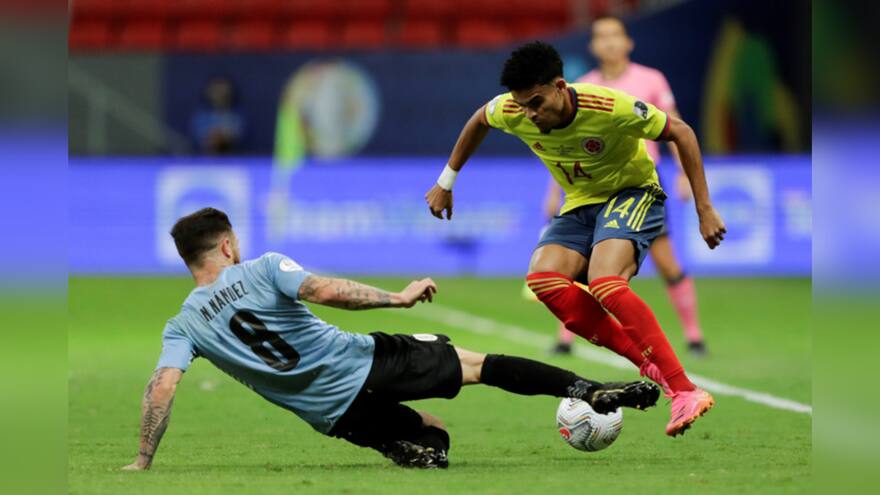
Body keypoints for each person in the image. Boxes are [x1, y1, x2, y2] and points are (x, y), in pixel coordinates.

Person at [121, 207, 659, 471]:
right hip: (366, 361)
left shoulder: (183, 324)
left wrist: (144, 458)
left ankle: (402, 446)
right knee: (476, 364)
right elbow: (325, 290)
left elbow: (161, 389)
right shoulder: (261, 267)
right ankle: (588, 388)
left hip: (330, 414)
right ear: (228, 245)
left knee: (434, 437)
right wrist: (397, 299)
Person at [424, 42, 726, 437]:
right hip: (580, 204)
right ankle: (647, 362)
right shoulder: (513, 110)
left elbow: (681, 132)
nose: (530, 115)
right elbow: (479, 120)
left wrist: (704, 208)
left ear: (560, 87)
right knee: (543, 278)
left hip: (633, 192)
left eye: (537, 102)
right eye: (523, 105)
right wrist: (446, 181)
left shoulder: (610, 107)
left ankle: (684, 390)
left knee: (605, 282)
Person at [561, 14, 707, 356]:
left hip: (641, 184)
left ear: (628, 42)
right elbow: (567, 148)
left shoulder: (651, 79)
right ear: (593, 45)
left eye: (616, 35)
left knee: (666, 262)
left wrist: (685, 174)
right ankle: (566, 338)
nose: (610, 42)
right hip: (596, 185)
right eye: (602, 36)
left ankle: (694, 335)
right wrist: (555, 192)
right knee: (582, 262)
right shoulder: (583, 85)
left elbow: (676, 128)